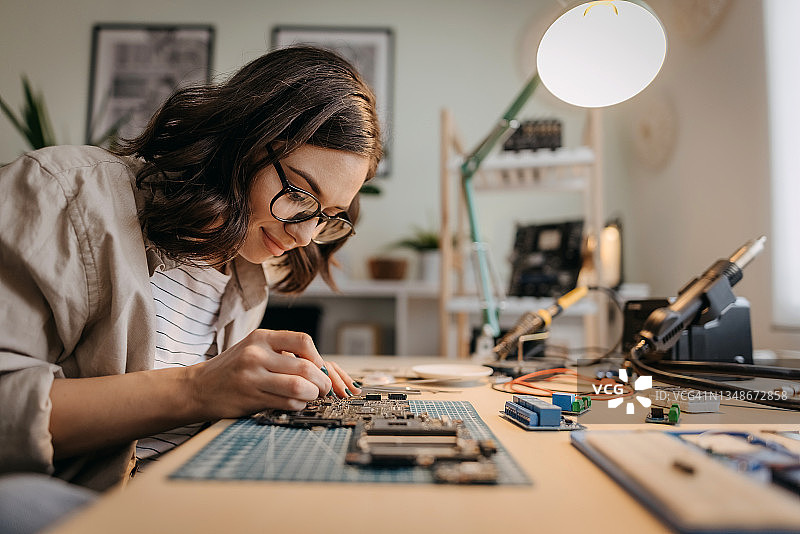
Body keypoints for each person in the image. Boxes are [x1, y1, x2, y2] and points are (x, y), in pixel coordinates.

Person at [0, 45, 382, 510]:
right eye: (299, 192)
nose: (304, 235)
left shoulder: (246, 276)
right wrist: (197, 388)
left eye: (327, 215)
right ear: (242, 138)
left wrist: (275, 385)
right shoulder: (65, 192)